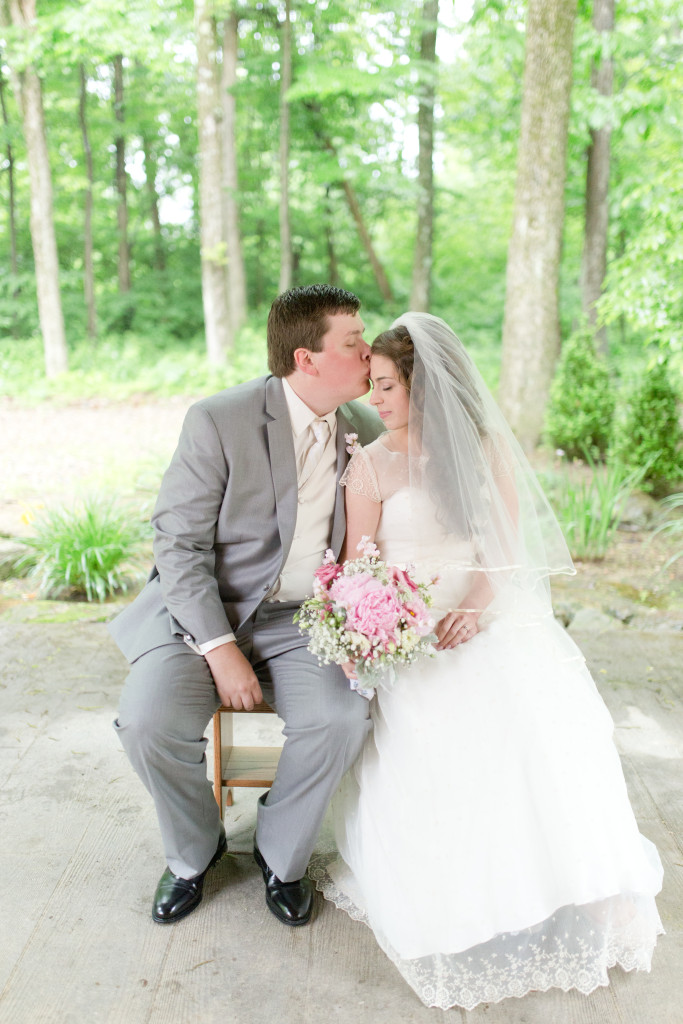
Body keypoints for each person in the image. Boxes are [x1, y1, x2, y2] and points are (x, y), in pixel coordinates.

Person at [310, 312, 664, 1009]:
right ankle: (464, 901)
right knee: (437, 737)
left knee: (536, 722)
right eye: (372, 386)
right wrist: (385, 627)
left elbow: (501, 551)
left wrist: (473, 604)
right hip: (409, 636)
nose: (374, 399)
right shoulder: (369, 464)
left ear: (425, 387)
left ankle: (577, 885)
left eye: (386, 386)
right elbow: (359, 568)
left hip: (481, 615)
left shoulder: (480, 450)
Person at [109, 284, 384, 927]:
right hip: (199, 614)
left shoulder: (366, 428)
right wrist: (219, 646)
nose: (369, 352)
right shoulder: (219, 419)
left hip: (301, 621)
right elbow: (177, 545)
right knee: (147, 724)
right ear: (305, 359)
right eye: (353, 342)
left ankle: (279, 851)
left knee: (343, 722)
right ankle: (194, 851)